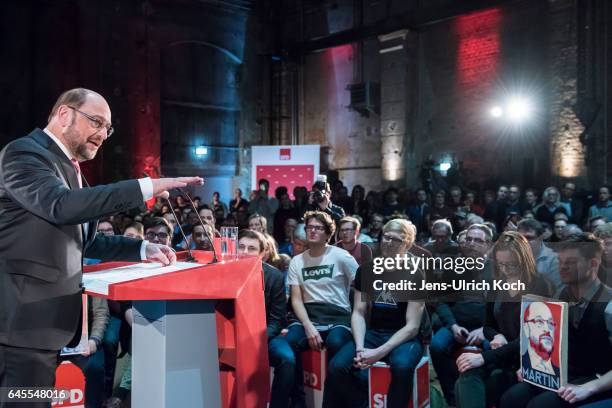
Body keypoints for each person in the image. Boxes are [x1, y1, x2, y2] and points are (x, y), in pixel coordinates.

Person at [0, 88, 203, 396]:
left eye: (107, 128)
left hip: (44, 326)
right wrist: (145, 186)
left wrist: (142, 249)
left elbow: (84, 241)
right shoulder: (23, 154)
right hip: (20, 325)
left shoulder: (70, 169)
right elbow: (61, 205)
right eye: (96, 122)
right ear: (64, 115)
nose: (103, 134)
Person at [324, 219, 430, 408]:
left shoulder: (415, 274)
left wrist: (378, 352)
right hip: (375, 332)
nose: (388, 243)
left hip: (405, 337)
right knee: (337, 367)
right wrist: (359, 348)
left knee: (402, 366)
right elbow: (358, 312)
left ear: (406, 244)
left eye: (396, 240)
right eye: (386, 237)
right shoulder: (367, 270)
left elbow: (412, 327)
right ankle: (362, 402)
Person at [500, 234, 612, 408]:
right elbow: (550, 338)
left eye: (571, 262)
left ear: (594, 263)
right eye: (560, 261)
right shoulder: (561, 294)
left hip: (599, 379)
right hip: (567, 373)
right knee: (512, 398)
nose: (563, 267)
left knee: (540, 406)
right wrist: (534, 365)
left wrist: (590, 388)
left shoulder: (609, 304)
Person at [454, 231, 553, 408]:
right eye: (501, 264)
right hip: (504, 356)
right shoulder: (496, 283)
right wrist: (497, 335)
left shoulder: (540, 285)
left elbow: (532, 337)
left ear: (524, 260)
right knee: (466, 377)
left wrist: (484, 357)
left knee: (467, 384)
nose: (506, 270)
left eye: (511, 265)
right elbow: (487, 326)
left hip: (530, 359)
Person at [286, 211, 359, 407]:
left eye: (318, 228)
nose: (312, 231)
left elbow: (363, 288)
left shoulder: (342, 257)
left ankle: (332, 403)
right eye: (309, 227)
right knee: (290, 343)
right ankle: (299, 402)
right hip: (308, 315)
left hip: (337, 315)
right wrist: (308, 326)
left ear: (328, 234)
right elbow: (296, 300)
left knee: (336, 343)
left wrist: (359, 318)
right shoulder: (296, 261)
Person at [236, 229, 288, 407]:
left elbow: (277, 319)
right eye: (241, 247)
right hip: (232, 336)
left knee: (287, 359)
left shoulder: (275, 277)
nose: (244, 252)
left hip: (265, 335)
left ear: (262, 254)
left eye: (251, 248)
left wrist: (258, 339)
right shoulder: (226, 274)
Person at [521, 302, 560, 377]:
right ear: (526, 328)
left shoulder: (561, 374)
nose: (547, 329)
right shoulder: (520, 365)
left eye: (551, 323)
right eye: (539, 321)